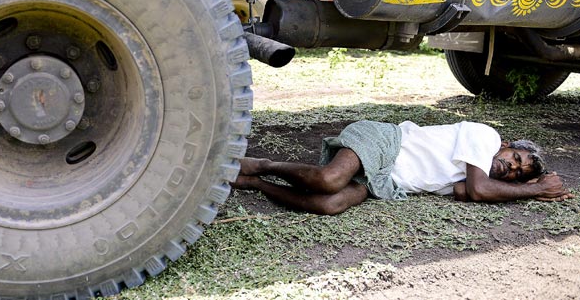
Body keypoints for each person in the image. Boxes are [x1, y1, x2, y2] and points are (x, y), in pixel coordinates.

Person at [232, 120, 575, 215]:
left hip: (384, 181)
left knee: (330, 203)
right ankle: (265, 164)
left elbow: (466, 192)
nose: (511, 168)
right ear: (507, 144)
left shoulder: (472, 176)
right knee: (329, 179)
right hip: (384, 141)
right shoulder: (486, 137)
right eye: (515, 158)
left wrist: (533, 191)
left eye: (519, 173)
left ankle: (257, 185)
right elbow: (478, 190)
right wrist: (533, 189)